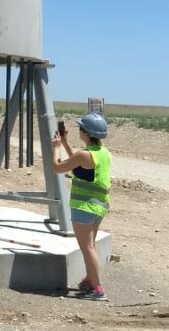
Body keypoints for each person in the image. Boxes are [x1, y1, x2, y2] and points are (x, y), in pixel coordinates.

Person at [53, 112, 112, 301]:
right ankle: (90, 279)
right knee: (91, 246)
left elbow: (57, 167)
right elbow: (78, 162)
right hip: (99, 207)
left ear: (86, 133)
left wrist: (56, 147)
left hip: (84, 207)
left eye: (81, 129)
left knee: (87, 248)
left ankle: (97, 289)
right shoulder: (103, 153)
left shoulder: (83, 155)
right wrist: (65, 142)